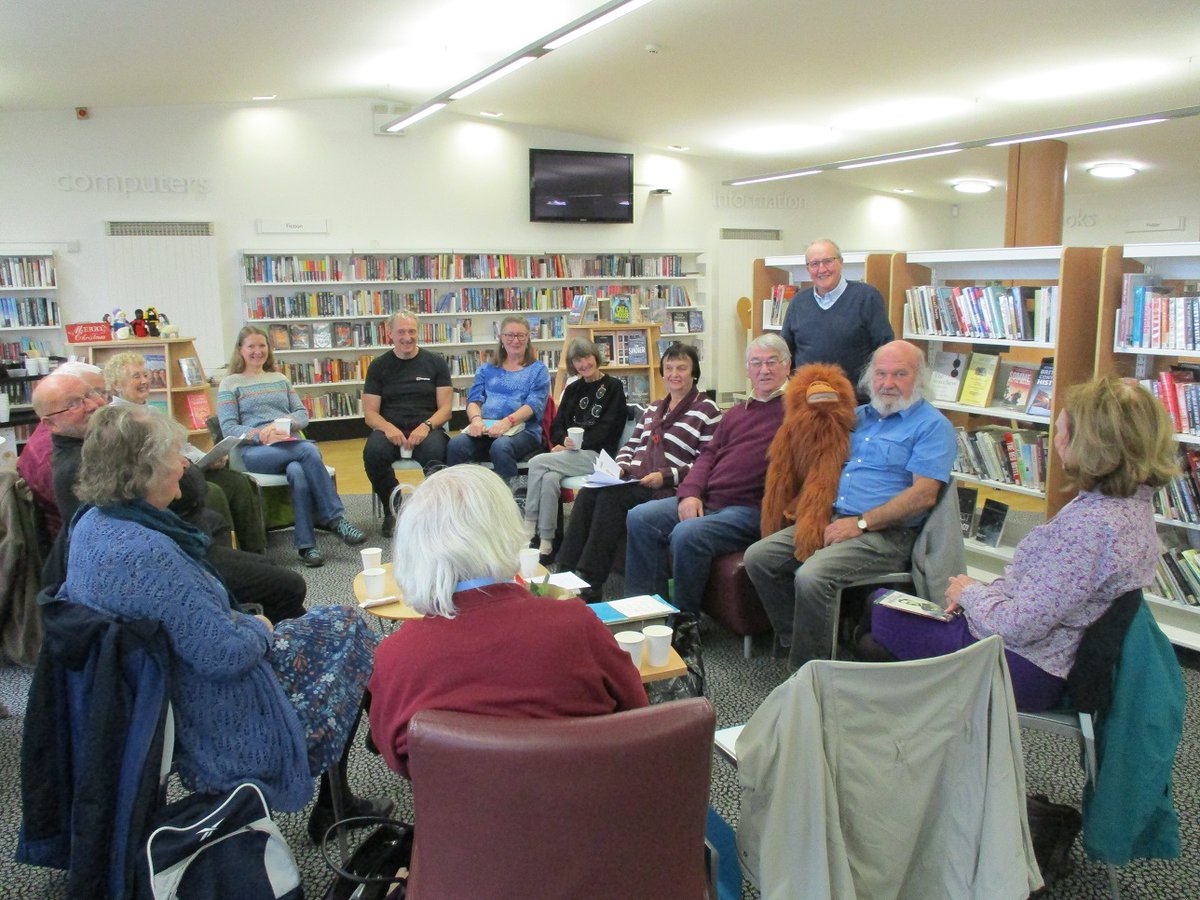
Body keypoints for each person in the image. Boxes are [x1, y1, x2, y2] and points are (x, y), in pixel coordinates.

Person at [57, 404, 387, 834]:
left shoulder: (91, 525)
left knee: (340, 624)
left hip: (159, 691)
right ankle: (350, 780)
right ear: (144, 469)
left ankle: (350, 778)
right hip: (216, 704)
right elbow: (224, 654)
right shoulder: (148, 554)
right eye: (175, 456)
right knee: (350, 628)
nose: (183, 465)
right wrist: (260, 627)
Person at [867, 377, 1176, 710]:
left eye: (1060, 431)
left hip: (1024, 665)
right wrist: (983, 593)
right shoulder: (1131, 507)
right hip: (1043, 650)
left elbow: (1018, 627)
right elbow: (1044, 594)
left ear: (1089, 445)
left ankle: (942, 723)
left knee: (877, 610)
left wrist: (969, 592)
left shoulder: (1091, 527)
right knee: (882, 620)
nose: (1054, 439)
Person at [368, 465, 649, 779]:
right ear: (507, 530)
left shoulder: (393, 659)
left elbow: (398, 760)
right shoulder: (576, 624)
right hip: (583, 812)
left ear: (411, 549)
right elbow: (636, 717)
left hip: (466, 821)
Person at [743, 340, 957, 669]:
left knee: (812, 576)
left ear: (919, 378)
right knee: (758, 558)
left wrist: (861, 523)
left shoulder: (932, 426)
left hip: (886, 534)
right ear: (870, 378)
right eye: (881, 374)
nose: (888, 383)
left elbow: (923, 495)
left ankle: (811, 672)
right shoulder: (856, 417)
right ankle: (794, 637)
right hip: (829, 517)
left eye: (900, 374)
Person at [33, 370, 309, 623]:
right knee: (288, 584)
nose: (92, 405)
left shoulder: (100, 443)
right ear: (49, 422)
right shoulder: (82, 464)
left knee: (237, 523)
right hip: (162, 558)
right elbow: (171, 503)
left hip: (174, 537)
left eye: (91, 394)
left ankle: (247, 613)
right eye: (74, 404)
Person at [623, 334, 789, 617]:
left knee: (687, 533)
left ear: (787, 366)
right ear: (747, 369)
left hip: (751, 508)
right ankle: (647, 614)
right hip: (712, 499)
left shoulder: (797, 411)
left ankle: (685, 624)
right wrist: (690, 493)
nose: (764, 370)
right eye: (756, 363)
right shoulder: (737, 412)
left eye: (772, 362)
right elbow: (708, 455)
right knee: (640, 516)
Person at [557, 343, 721, 601]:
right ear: (662, 373)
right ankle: (564, 573)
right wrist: (620, 465)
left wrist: (665, 476)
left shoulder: (708, 410)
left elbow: (705, 462)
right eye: (669, 368)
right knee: (590, 492)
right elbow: (631, 445)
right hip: (635, 477)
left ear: (694, 373)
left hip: (666, 486)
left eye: (681, 368)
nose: (674, 374)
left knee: (611, 499)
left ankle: (590, 582)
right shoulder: (654, 408)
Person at [217, 326, 365, 568]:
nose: (257, 351)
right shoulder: (230, 383)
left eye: (262, 345)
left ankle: (307, 546)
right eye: (251, 346)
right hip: (255, 451)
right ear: (240, 351)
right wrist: (261, 434)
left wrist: (283, 425)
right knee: (309, 450)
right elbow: (228, 427)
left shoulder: (280, 378)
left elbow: (302, 414)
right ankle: (335, 519)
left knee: (298, 471)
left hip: (288, 444)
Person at [104, 350, 267, 553]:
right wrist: (190, 461)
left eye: (145, 375)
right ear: (115, 385)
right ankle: (225, 557)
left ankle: (255, 554)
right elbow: (149, 458)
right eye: (136, 376)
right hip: (159, 479)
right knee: (214, 493)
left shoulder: (152, 411)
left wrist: (208, 457)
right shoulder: (118, 419)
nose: (145, 380)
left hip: (186, 467)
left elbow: (182, 444)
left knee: (238, 482)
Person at [522, 337, 627, 557]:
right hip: (571, 453)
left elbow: (609, 430)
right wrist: (563, 441)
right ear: (573, 365)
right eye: (578, 361)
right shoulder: (573, 389)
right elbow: (558, 424)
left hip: (598, 456)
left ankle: (528, 524)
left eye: (587, 357)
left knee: (536, 463)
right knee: (549, 478)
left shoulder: (614, 387)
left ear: (595, 357)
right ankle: (547, 542)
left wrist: (576, 445)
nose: (584, 364)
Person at [361, 312, 453, 537]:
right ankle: (393, 506)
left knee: (436, 455)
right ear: (390, 333)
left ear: (418, 332)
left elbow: (446, 409)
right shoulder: (378, 366)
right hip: (390, 429)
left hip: (426, 427)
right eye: (401, 331)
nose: (407, 337)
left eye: (411, 331)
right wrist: (387, 427)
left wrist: (427, 426)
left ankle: (434, 511)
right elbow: (370, 414)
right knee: (373, 454)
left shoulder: (435, 362)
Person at [445, 315, 549, 480]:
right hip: (487, 430)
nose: (515, 340)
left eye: (521, 335)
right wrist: (476, 420)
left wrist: (507, 422)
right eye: (509, 335)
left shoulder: (538, 370)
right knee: (456, 445)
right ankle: (462, 498)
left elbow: (533, 405)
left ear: (528, 338)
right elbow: (474, 400)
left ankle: (509, 499)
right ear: (501, 338)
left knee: (501, 447)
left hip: (523, 430)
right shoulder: (486, 369)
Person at [779, 238, 893, 390]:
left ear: (841, 262)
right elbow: (786, 352)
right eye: (814, 264)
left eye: (828, 261)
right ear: (808, 269)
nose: (822, 269)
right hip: (807, 401)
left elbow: (884, 348)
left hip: (854, 401)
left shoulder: (867, 297)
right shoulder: (798, 302)